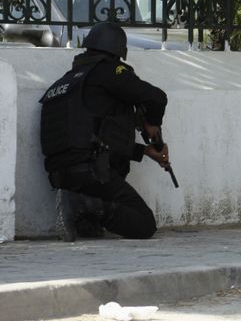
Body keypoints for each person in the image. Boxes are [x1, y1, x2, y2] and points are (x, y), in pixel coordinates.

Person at [39, 21, 170, 241]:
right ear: (118, 51)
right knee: (144, 224)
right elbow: (156, 97)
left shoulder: (64, 83)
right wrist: (152, 123)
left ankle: (84, 212)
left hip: (61, 176)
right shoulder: (109, 71)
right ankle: (84, 204)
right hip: (92, 173)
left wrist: (145, 152)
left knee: (98, 224)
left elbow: (92, 136)